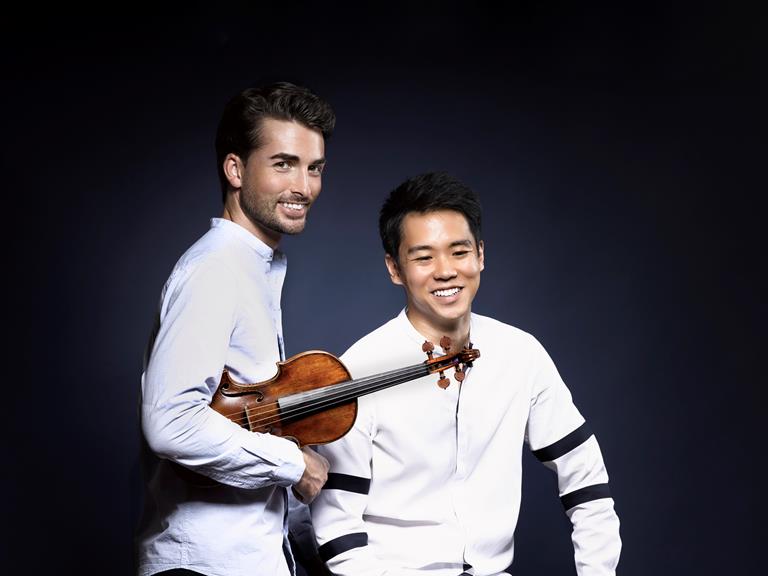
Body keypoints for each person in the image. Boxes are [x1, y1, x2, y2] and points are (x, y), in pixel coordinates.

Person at [310, 172, 621, 575]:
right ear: (395, 268)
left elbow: (586, 477)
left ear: (481, 255)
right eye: (423, 257)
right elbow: (336, 528)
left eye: (459, 252)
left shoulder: (520, 353)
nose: (445, 271)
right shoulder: (358, 370)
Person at [137, 81, 335, 576]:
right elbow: (171, 422)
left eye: (314, 168)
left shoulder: (252, 266)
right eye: (283, 163)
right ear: (235, 169)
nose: (304, 187)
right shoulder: (215, 269)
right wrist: (294, 465)